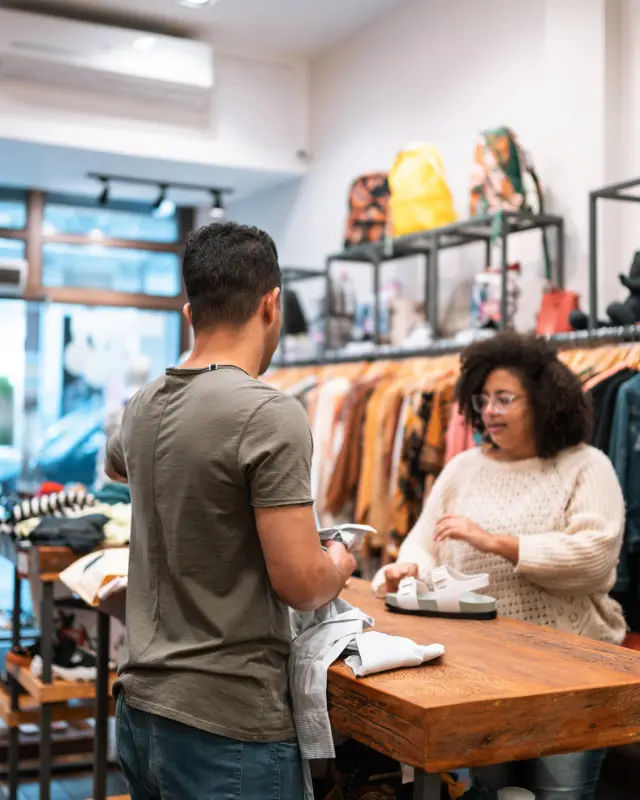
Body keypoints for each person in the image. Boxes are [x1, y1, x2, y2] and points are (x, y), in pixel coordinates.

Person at [105, 221, 356, 800]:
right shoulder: (268, 412)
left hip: (141, 711)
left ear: (190, 312)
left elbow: (119, 464)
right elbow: (302, 584)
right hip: (227, 722)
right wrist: (340, 559)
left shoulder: (142, 405)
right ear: (271, 304)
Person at [374, 332, 626, 800]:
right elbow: (423, 543)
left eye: (504, 398)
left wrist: (496, 543)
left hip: (572, 675)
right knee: (488, 793)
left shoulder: (587, 466)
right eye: (482, 399)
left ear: (544, 401)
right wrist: (407, 569)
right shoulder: (463, 468)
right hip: (479, 674)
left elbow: (594, 557)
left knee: (562, 794)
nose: (489, 411)